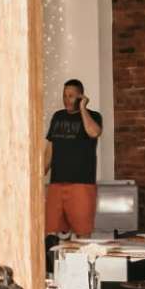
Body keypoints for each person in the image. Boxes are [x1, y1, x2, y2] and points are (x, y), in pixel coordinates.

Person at [43, 78, 106, 237]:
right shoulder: (58, 116)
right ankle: (54, 262)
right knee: (50, 233)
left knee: (82, 233)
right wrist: (39, 175)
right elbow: (50, 149)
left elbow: (94, 132)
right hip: (56, 184)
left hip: (81, 185)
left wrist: (83, 109)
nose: (66, 99)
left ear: (80, 97)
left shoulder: (93, 116)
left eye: (71, 96)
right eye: (64, 95)